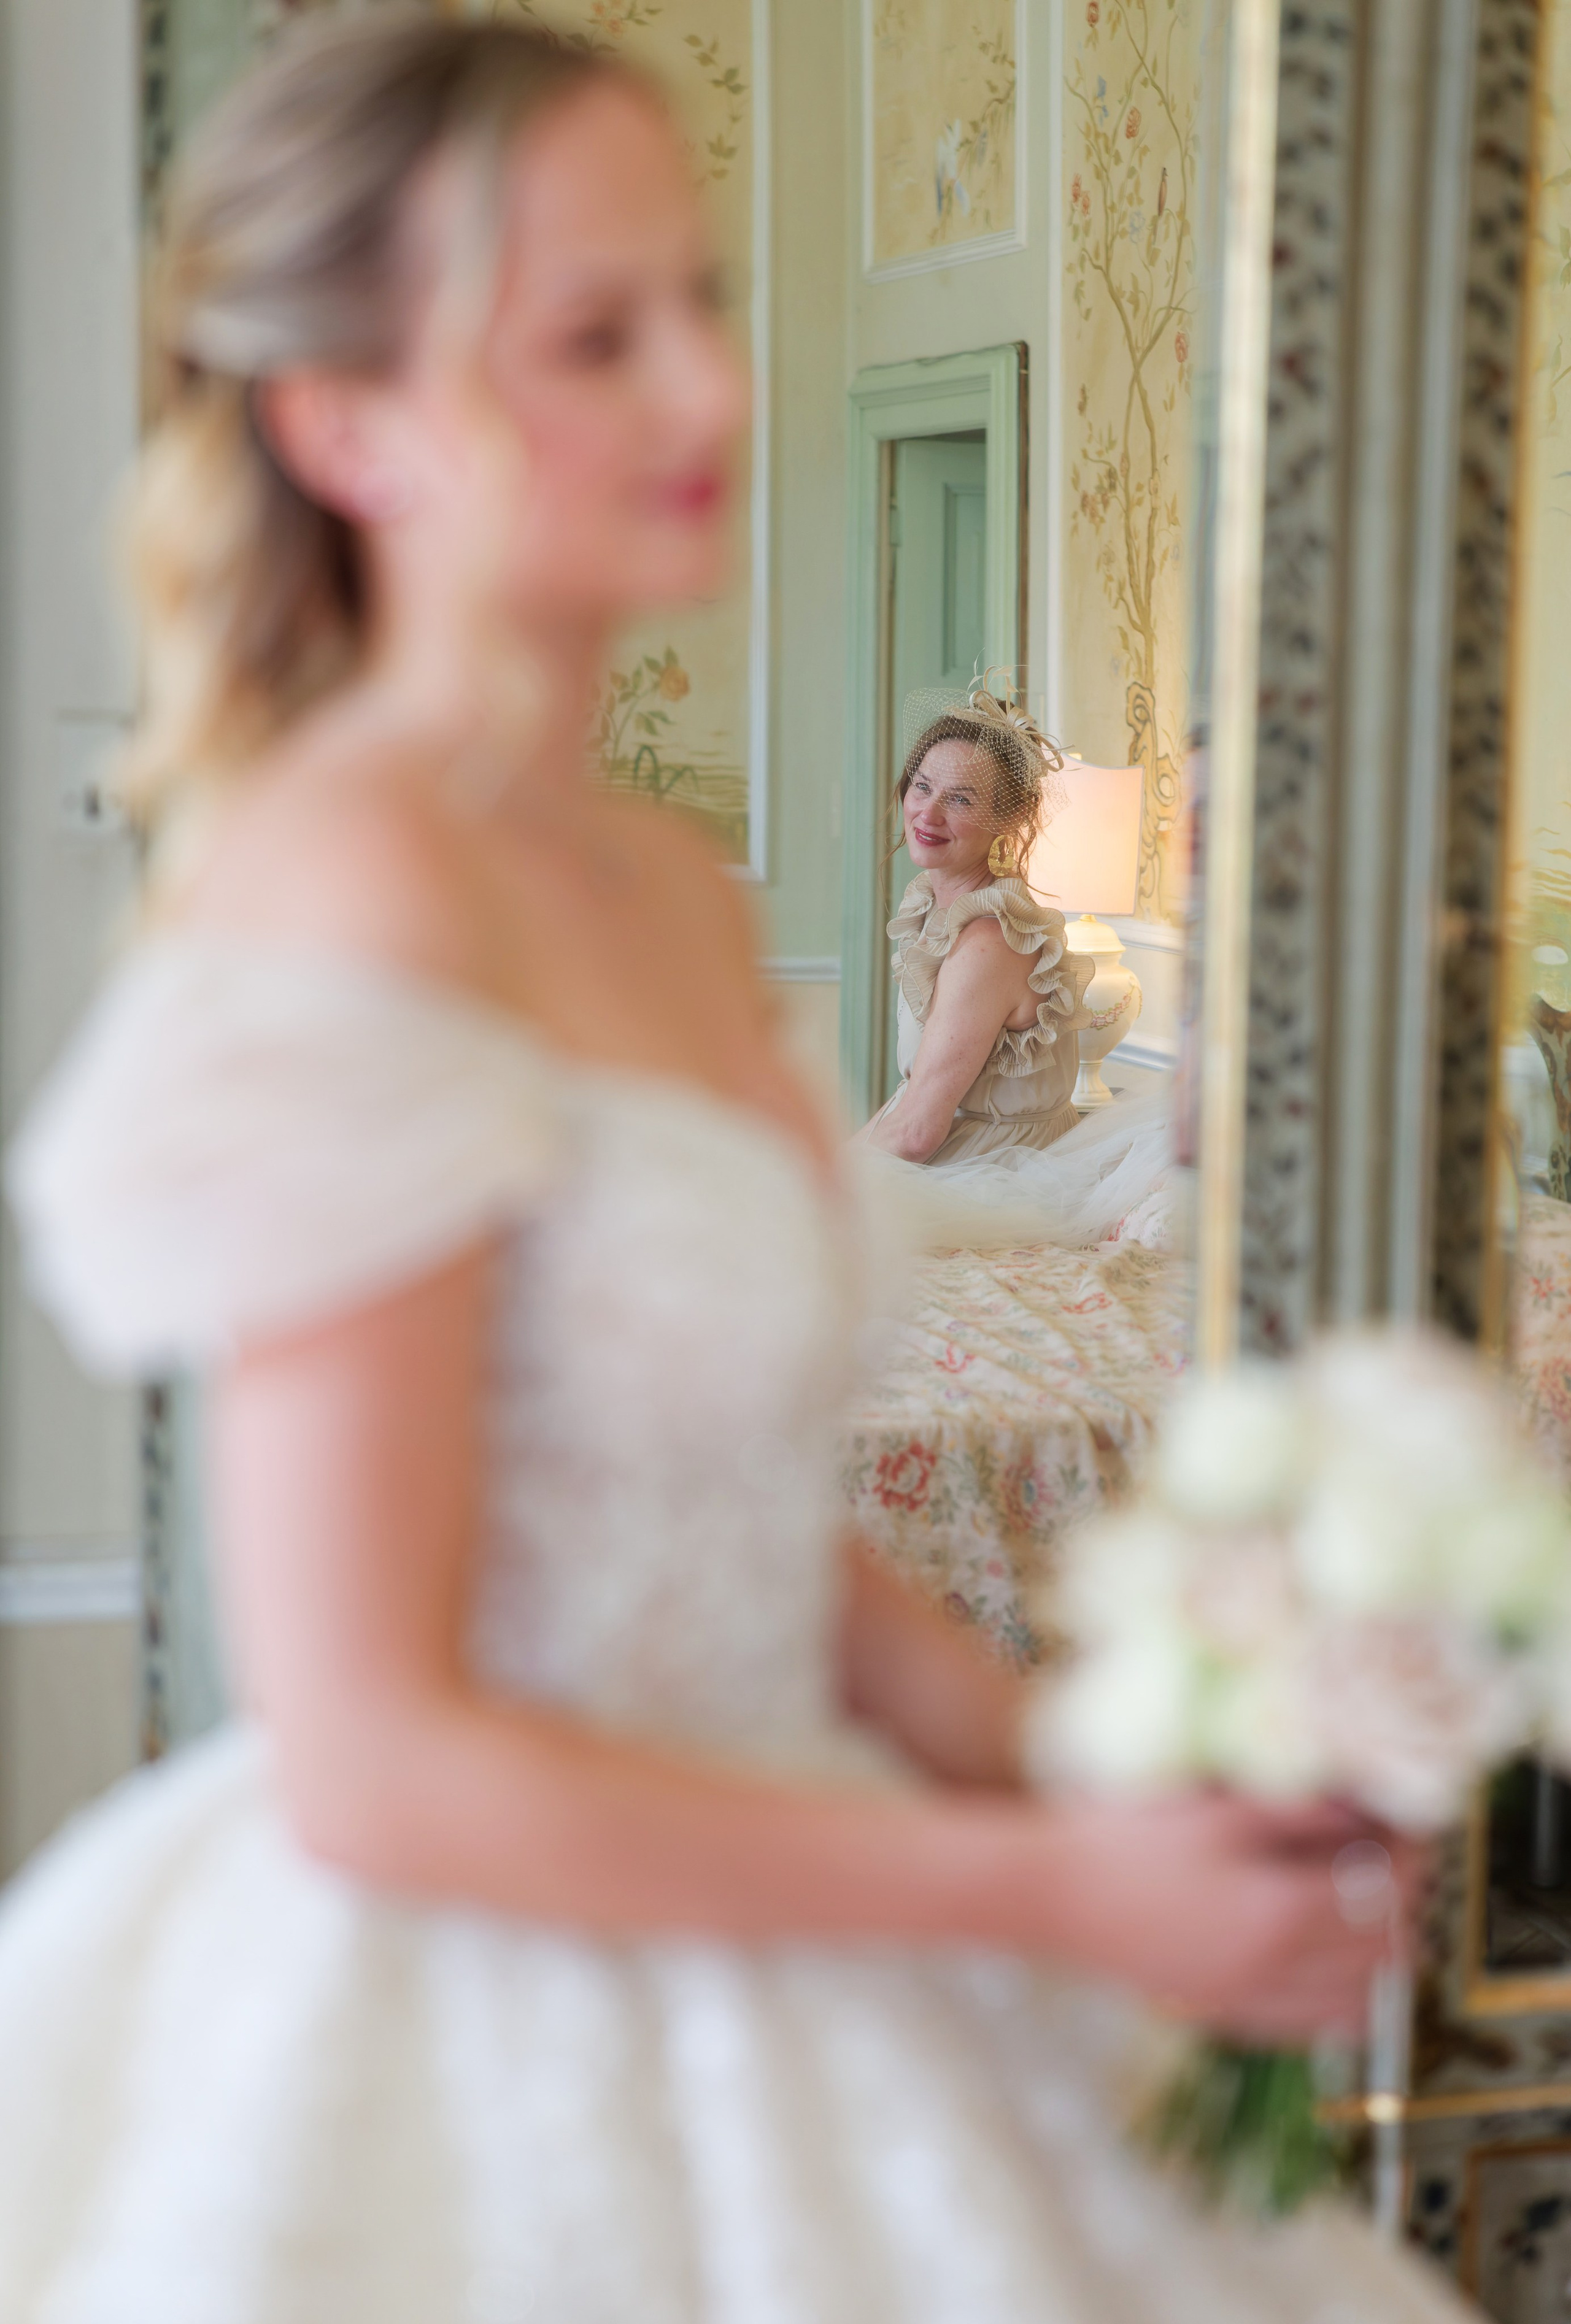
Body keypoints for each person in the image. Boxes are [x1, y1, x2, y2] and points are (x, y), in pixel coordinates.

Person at [0, 20, 1459, 2319]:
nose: (701, 390)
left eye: (697, 302)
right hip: (478, 2016)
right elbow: (375, 1757)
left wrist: (1080, 1784)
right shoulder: (345, 886)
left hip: (817, 1934)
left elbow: (774, 1537)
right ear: (340, 423)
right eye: (594, 334)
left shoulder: (664, 891)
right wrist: (1044, 1900)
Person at [863, 696, 1098, 1168]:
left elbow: (916, 1134)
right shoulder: (940, 909)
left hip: (991, 1175)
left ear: (1009, 819)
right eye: (923, 787)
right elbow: (907, 1101)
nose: (927, 815)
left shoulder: (991, 942)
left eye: (960, 799)